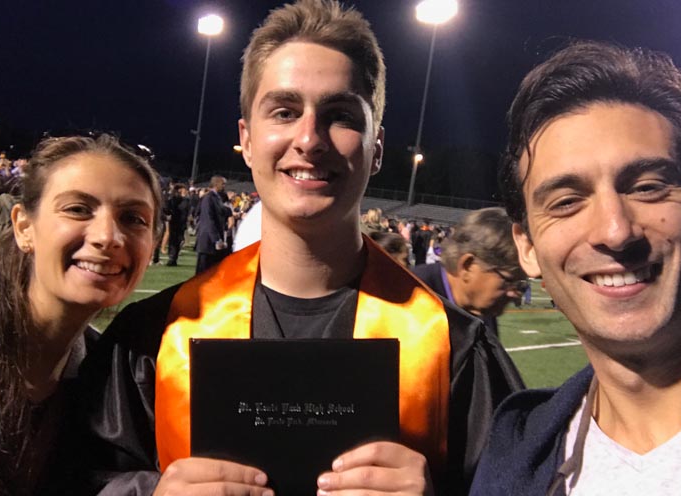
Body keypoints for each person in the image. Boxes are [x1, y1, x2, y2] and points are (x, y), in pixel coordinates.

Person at [81, 1, 523, 495]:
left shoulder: (456, 349)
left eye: (339, 115)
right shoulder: (152, 340)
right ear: (247, 140)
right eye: (285, 111)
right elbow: (77, 478)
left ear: (375, 149)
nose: (309, 139)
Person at [471, 41, 681, 495]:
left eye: (646, 188)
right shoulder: (516, 455)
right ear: (526, 247)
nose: (614, 230)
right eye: (567, 202)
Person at [0, 134, 161, 495]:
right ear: (23, 227)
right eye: (78, 209)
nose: (108, 236)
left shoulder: (111, 374)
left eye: (133, 218)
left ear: (155, 242)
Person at [413, 208, 527, 338]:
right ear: (468, 266)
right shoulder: (407, 299)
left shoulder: (483, 311)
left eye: (520, 285)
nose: (515, 294)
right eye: (508, 281)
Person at [193, 175, 233, 274]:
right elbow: (208, 220)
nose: (224, 186)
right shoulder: (208, 198)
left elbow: (223, 211)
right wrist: (216, 240)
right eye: (223, 184)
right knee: (202, 273)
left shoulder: (216, 197)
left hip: (212, 241)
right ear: (216, 184)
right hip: (208, 241)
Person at [165, 183, 190, 266]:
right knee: (174, 241)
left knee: (178, 241)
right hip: (175, 222)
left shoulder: (183, 199)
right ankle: (172, 258)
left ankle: (173, 258)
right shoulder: (173, 199)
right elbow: (169, 209)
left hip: (181, 223)